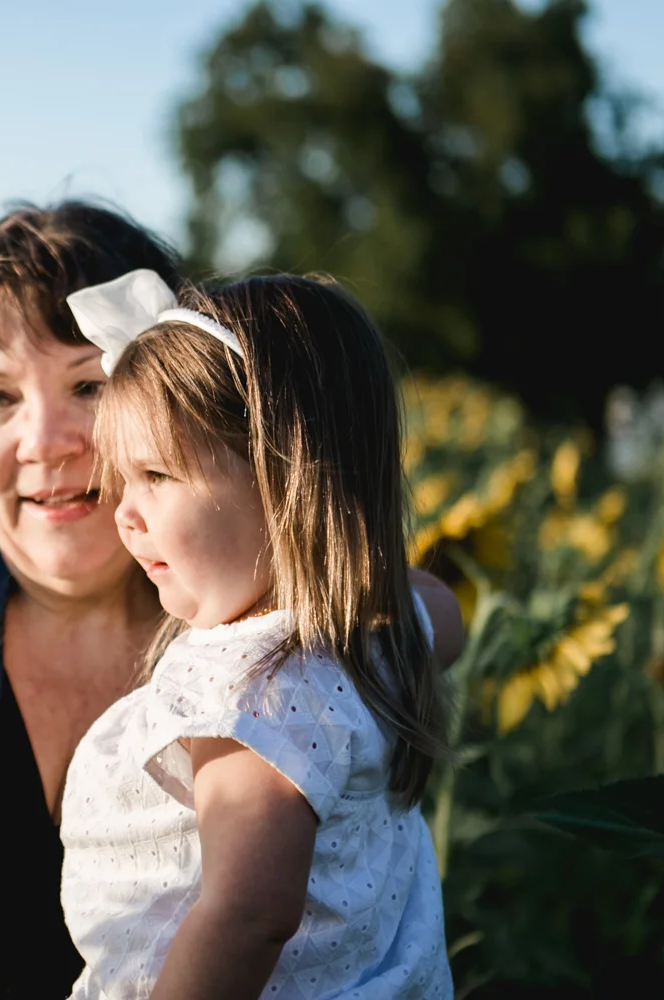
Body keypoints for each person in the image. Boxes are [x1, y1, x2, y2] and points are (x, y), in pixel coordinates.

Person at [0, 202, 464, 999]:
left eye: (89, 384)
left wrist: (323, 561)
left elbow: (251, 914)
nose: (45, 440)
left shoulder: (255, 654)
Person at [57, 269, 454, 999]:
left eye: (156, 475)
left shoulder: (252, 696)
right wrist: (356, 574)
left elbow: (247, 916)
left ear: (285, 477)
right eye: (123, 480)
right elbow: (444, 614)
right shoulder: (374, 641)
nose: (125, 514)